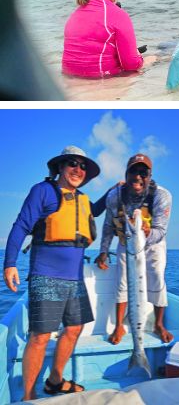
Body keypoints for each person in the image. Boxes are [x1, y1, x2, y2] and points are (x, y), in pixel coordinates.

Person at [3, 147, 102, 399]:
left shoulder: (82, 199)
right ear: (60, 167)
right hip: (46, 275)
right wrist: (10, 263)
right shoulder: (43, 191)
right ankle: (28, 396)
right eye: (72, 164)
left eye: (83, 167)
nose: (78, 170)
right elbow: (22, 224)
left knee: (74, 328)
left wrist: (115, 191)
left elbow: (96, 209)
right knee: (40, 336)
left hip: (75, 278)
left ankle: (55, 381)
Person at [94, 153, 174, 344]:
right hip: (126, 242)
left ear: (150, 176)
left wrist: (147, 233)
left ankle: (159, 324)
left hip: (153, 244)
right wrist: (103, 251)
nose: (138, 177)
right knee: (122, 281)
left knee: (156, 277)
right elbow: (107, 225)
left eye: (143, 173)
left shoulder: (162, 195)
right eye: (133, 171)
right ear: (126, 173)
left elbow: (161, 230)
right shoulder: (114, 196)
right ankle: (118, 326)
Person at [62, 0, 153, 78]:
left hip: (69, 78)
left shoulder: (77, 12)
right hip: (100, 81)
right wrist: (138, 56)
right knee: (154, 58)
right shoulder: (117, 14)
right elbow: (131, 64)